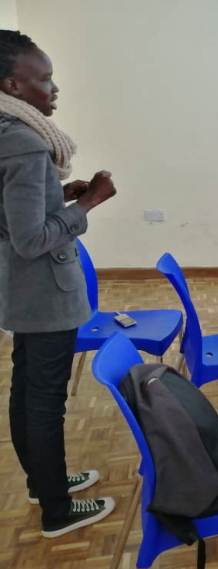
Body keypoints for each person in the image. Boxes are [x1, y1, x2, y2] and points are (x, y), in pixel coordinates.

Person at [0, 30, 117, 537]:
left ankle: (41, 482)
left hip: (19, 292)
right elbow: (31, 239)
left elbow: (14, 217)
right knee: (45, 399)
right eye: (43, 79)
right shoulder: (25, 144)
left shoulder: (6, 133)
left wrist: (60, 195)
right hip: (44, 294)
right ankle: (57, 510)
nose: (54, 88)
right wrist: (86, 205)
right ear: (13, 85)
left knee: (26, 390)